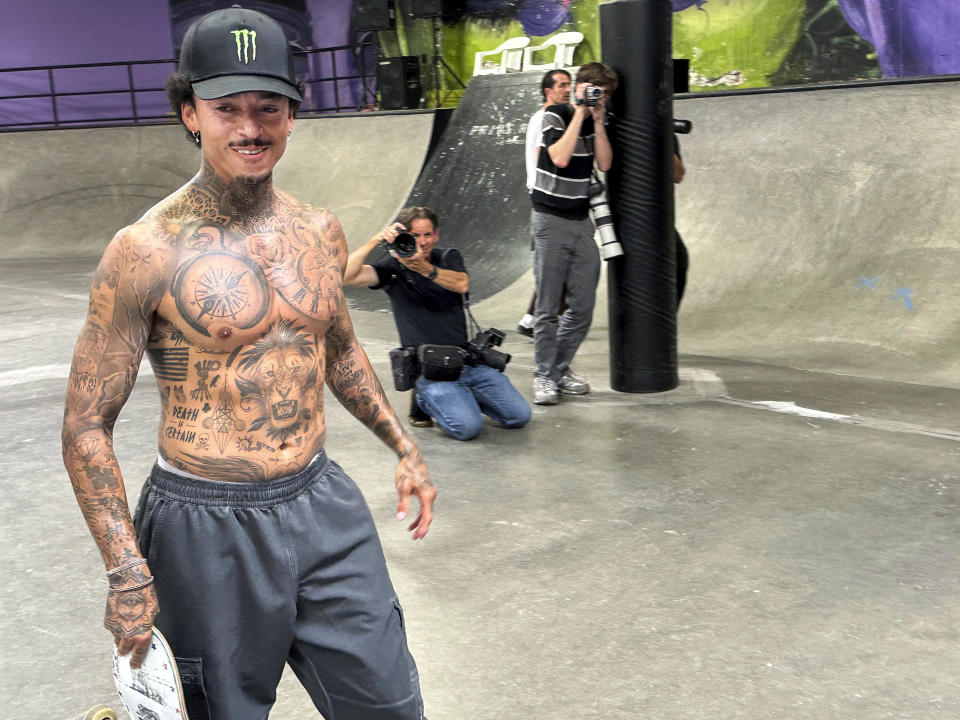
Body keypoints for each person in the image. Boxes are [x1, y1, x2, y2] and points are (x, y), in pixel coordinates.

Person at [60, 8, 434, 719]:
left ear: (292, 114)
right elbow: (85, 422)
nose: (249, 128)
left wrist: (402, 443)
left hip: (323, 504)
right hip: (204, 525)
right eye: (226, 108)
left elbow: (339, 346)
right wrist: (125, 571)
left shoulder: (319, 229)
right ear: (190, 114)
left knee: (389, 703)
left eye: (268, 107)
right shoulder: (144, 251)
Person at [345, 206, 531, 441]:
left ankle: (461, 397)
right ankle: (423, 400)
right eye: (414, 236)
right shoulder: (392, 269)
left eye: (427, 235)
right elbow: (345, 276)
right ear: (403, 238)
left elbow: (461, 284)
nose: (422, 242)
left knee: (519, 416)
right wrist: (376, 239)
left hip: (467, 363)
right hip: (430, 371)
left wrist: (423, 268)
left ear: (436, 235)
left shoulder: (447, 257)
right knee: (468, 429)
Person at [529, 62, 618, 405]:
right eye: (593, 89)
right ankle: (543, 375)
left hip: (581, 223)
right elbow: (560, 158)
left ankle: (558, 370)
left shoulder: (597, 119)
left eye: (604, 93)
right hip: (550, 220)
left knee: (583, 306)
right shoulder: (555, 115)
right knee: (548, 306)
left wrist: (597, 120)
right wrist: (579, 113)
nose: (598, 96)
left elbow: (606, 164)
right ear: (579, 86)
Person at [516, 68, 571, 338]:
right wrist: (553, 193)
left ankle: (531, 318)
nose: (567, 89)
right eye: (561, 85)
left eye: (569, 84)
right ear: (548, 91)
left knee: (556, 261)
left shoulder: (555, 116)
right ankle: (543, 319)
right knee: (559, 262)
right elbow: (542, 156)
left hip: (548, 196)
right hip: (547, 198)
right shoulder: (544, 118)